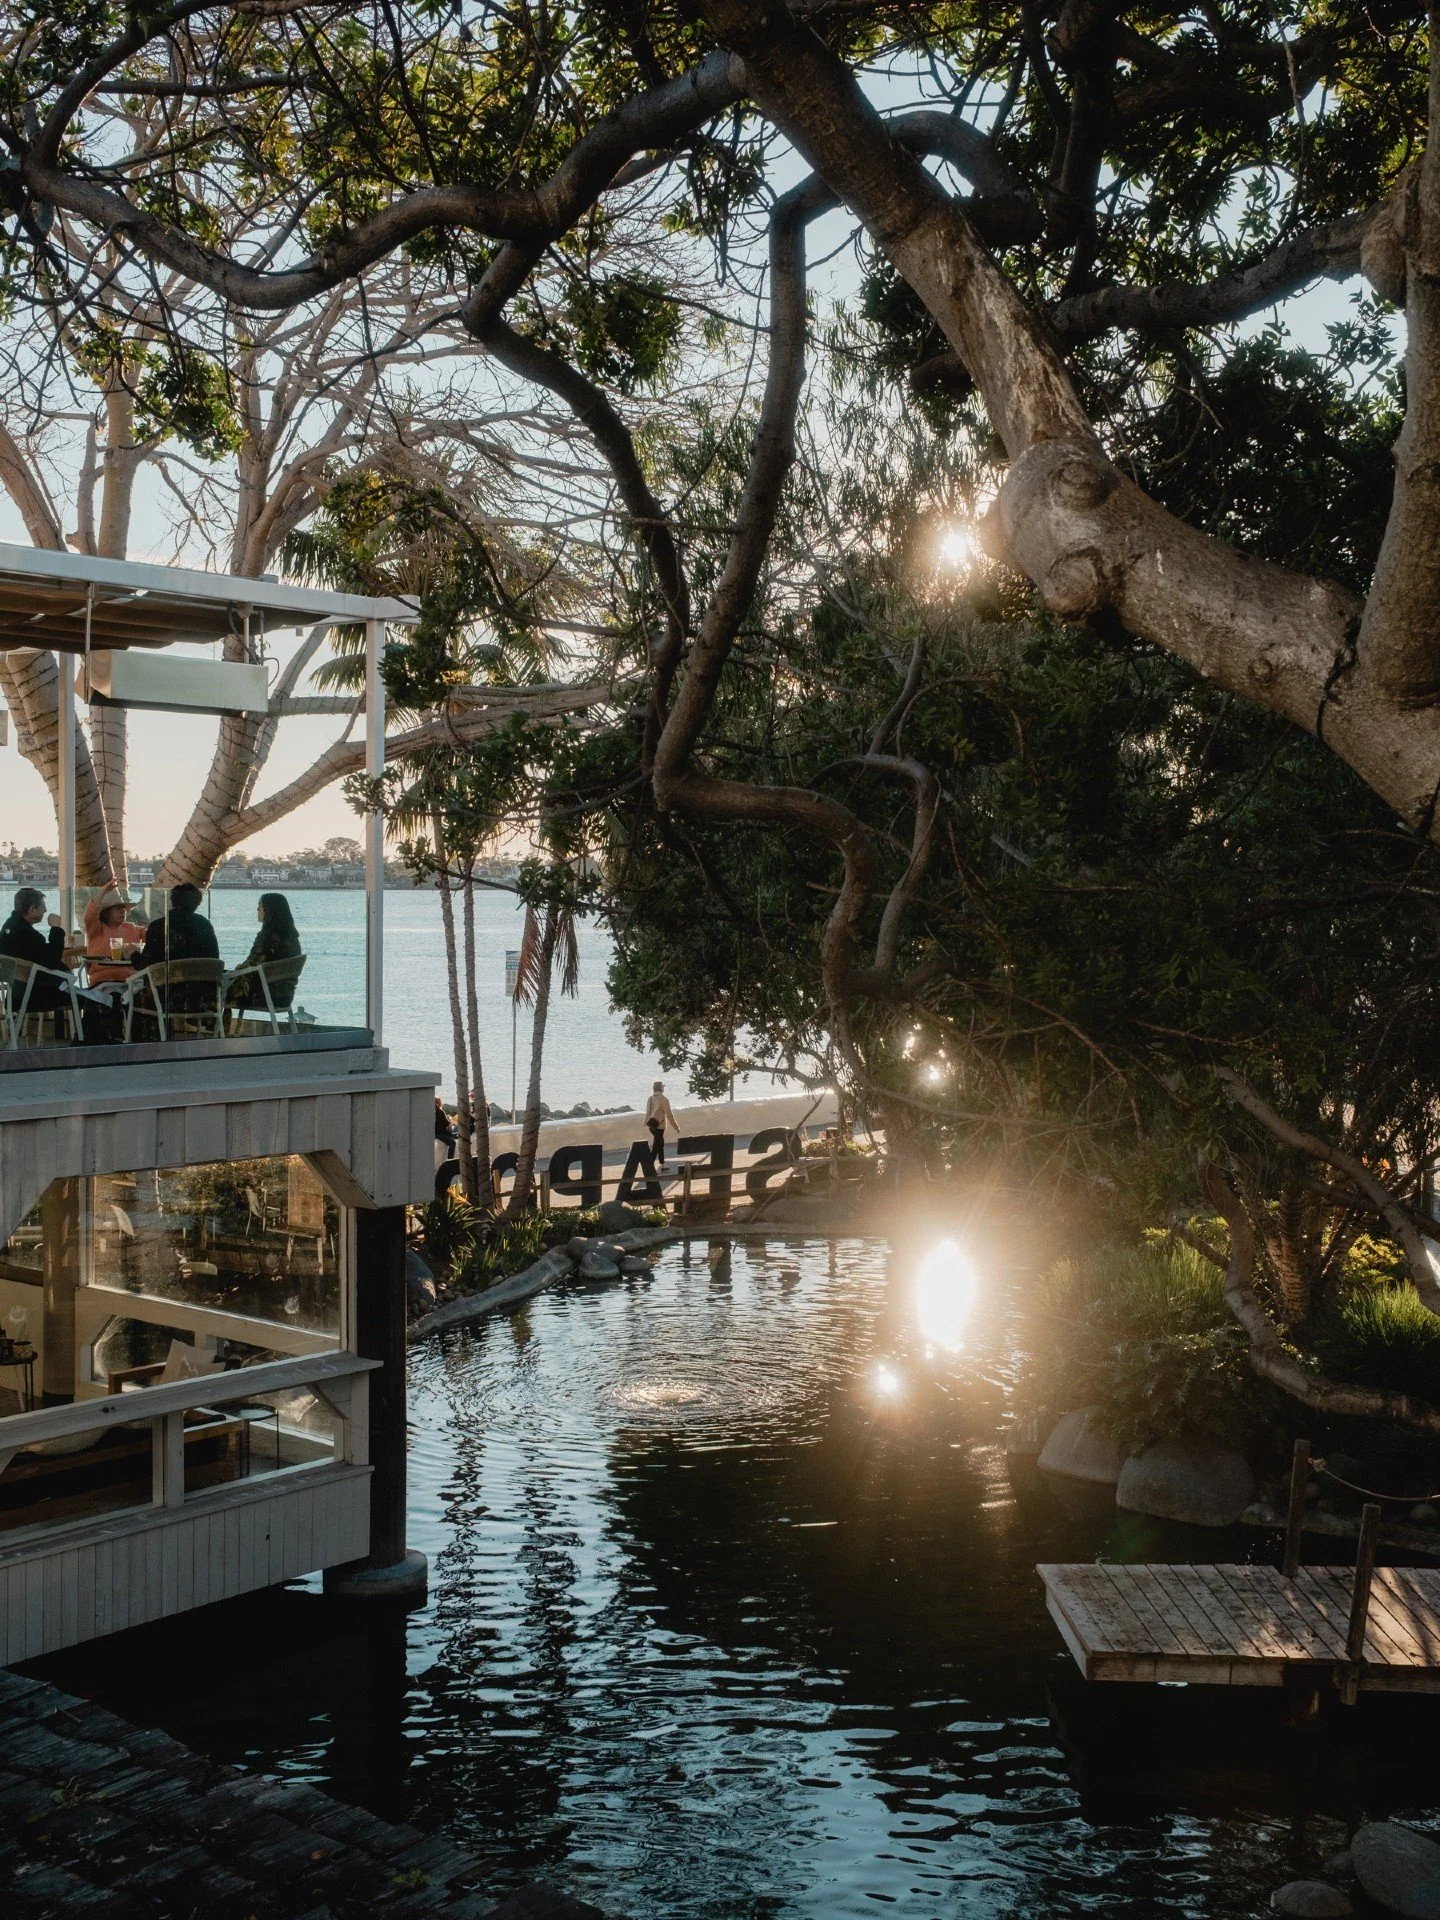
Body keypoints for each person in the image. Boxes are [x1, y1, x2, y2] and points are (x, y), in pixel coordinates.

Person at [0, 887, 71, 1013]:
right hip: (34, 997)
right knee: (89, 1000)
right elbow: (52, 962)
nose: (46, 910)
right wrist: (56, 929)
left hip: (15, 995)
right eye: (43, 906)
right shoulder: (28, 934)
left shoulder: (9, 927)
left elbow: (36, 952)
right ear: (32, 910)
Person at [233, 892, 302, 1008]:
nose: (257, 909)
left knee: (217, 991)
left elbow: (251, 965)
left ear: (269, 911)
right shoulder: (292, 937)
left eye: (260, 906)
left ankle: (213, 1025)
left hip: (263, 996)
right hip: (284, 996)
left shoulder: (267, 937)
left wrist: (230, 975)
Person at [134, 882, 220, 968]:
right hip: (200, 980)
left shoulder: (158, 925)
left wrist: (134, 956)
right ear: (197, 904)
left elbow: (146, 963)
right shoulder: (204, 924)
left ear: (173, 902)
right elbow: (214, 958)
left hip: (166, 980)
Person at [84, 887, 147, 986]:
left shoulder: (132, 928)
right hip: (104, 982)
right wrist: (104, 890)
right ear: (106, 913)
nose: (123, 911)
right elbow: (90, 913)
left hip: (132, 981)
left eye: (123, 909)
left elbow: (152, 935)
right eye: (118, 909)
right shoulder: (96, 929)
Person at [645, 1080, 680, 1166]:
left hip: (651, 1126)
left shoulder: (650, 1098)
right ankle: (650, 1167)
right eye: (663, 1086)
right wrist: (676, 1127)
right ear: (661, 1088)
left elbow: (647, 1113)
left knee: (660, 1144)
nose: (664, 1088)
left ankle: (662, 1164)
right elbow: (669, 1115)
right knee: (656, 1147)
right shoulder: (664, 1100)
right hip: (660, 1127)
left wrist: (645, 1123)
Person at [434, 1097, 460, 1196]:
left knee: (453, 1137)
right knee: (452, 1143)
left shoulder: (434, 1111)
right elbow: (445, 1123)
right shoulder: (439, 1111)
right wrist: (449, 1119)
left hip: (438, 1133)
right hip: (440, 1134)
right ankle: (450, 1159)